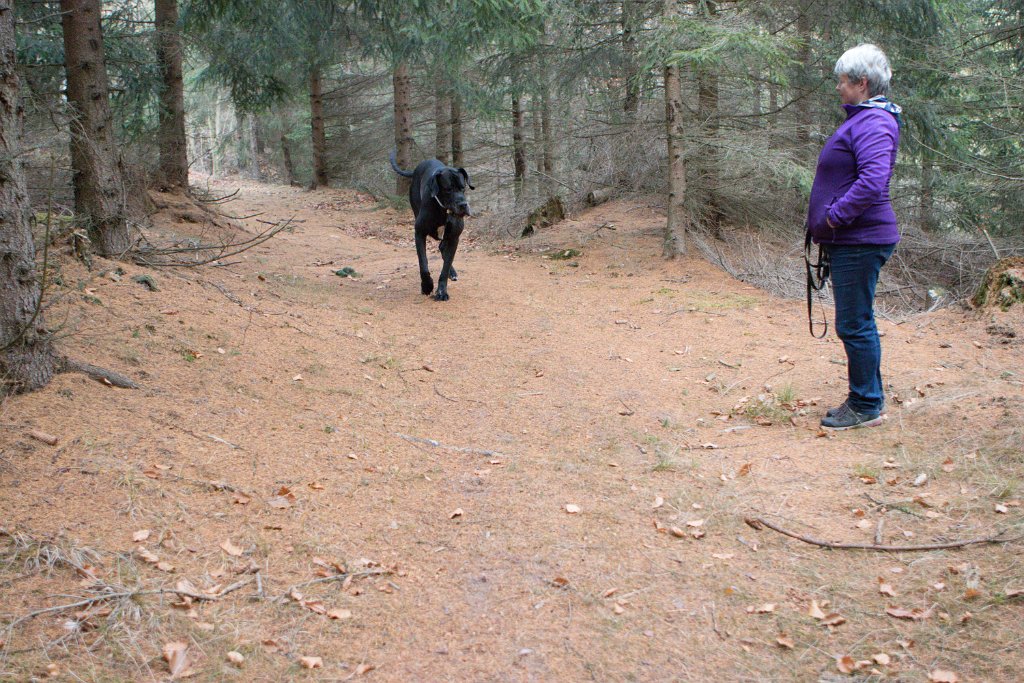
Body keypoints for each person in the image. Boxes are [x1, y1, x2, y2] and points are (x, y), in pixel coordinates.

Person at [807, 44, 902, 430]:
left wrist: (832, 219)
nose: (838, 87)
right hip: (853, 239)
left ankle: (865, 405)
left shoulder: (875, 123)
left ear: (862, 83)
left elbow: (873, 181)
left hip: (860, 239)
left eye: (843, 81)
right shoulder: (863, 120)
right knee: (857, 320)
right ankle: (868, 399)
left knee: (854, 323)